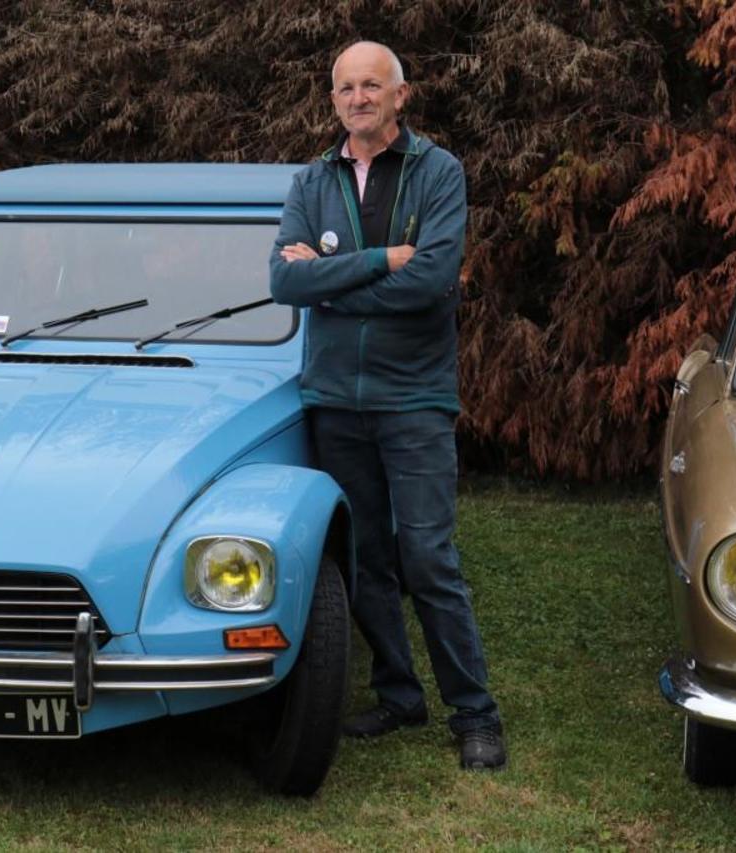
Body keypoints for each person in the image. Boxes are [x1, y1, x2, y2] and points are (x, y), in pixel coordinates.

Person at [269, 41, 505, 770]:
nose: (359, 98)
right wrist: (378, 261)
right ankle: (400, 694)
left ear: (401, 95)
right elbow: (284, 283)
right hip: (335, 400)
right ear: (333, 100)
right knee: (366, 555)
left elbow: (432, 282)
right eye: (346, 88)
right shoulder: (313, 179)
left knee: (427, 557)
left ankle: (475, 713)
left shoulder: (438, 172)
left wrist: (332, 281)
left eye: (372, 85)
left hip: (413, 398)